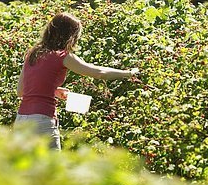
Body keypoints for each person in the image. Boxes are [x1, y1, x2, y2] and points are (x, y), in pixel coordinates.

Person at [15, 12, 138, 150]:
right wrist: (129, 74)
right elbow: (99, 73)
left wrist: (52, 91)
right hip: (42, 121)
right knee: (52, 169)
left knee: (25, 168)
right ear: (69, 36)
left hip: (21, 120)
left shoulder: (33, 53)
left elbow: (21, 92)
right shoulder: (62, 56)